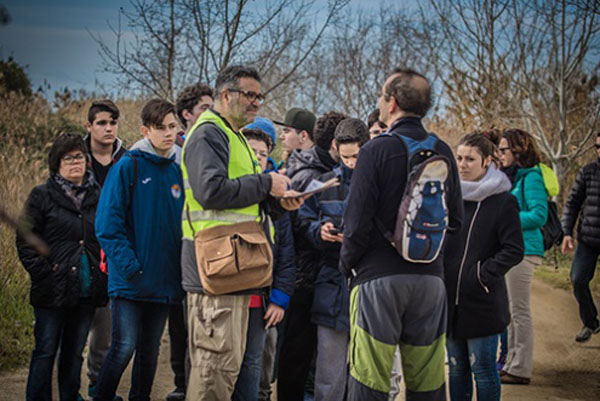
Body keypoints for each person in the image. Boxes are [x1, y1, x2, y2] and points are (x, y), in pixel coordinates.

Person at [179, 65, 303, 401]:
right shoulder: (208, 133)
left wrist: (280, 202)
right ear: (224, 95)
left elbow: (244, 203)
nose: (257, 103)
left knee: (225, 372)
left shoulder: (235, 136)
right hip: (214, 272)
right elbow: (210, 191)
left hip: (233, 270)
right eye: (249, 95)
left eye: (259, 96)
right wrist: (266, 183)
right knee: (212, 376)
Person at [339, 68, 463, 401]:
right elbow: (457, 221)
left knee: (370, 381)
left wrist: (349, 267)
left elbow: (355, 224)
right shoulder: (444, 151)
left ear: (391, 103)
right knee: (428, 382)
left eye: (382, 96)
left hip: (378, 280)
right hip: (430, 284)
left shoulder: (375, 151)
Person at [93, 99, 185, 401]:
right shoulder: (128, 166)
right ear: (146, 130)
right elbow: (107, 224)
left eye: (173, 126)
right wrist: (130, 266)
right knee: (123, 346)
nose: (168, 133)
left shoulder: (180, 168)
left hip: (165, 280)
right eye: (161, 128)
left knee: (149, 351)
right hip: (131, 280)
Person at [16, 132, 108, 401]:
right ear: (56, 163)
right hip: (51, 289)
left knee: (74, 353)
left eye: (79, 156)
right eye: (67, 158)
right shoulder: (41, 195)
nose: (75, 162)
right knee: (45, 351)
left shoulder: (97, 194)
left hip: (85, 288)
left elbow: (105, 234)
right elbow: (25, 240)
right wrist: (44, 272)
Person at [445, 133, 524, 401]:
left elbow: (514, 249)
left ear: (487, 161)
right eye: (459, 158)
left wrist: (480, 275)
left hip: (483, 302)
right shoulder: (450, 196)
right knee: (456, 370)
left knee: (483, 370)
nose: (462, 164)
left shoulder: (503, 201)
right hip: (449, 303)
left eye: (470, 159)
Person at [277, 111, 348, 401]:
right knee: (298, 356)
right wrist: (320, 231)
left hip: (317, 274)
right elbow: (297, 225)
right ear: (334, 143)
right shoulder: (313, 174)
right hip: (306, 274)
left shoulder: (315, 165)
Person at [297, 118, 369, 401]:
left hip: (367, 286)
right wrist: (320, 231)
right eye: (346, 156)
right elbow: (302, 224)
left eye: (357, 156)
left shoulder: (379, 185)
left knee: (367, 374)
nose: (351, 162)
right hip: (330, 284)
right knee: (328, 374)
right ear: (336, 149)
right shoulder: (322, 184)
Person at [242, 125, 297, 401]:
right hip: (229, 296)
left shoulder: (275, 199)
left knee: (259, 372)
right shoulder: (229, 192)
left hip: (263, 302)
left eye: (263, 154)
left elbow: (287, 255)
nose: (258, 158)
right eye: (252, 152)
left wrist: (280, 298)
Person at [498, 128, 548, 385]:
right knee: (510, 311)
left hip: (526, 250)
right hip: (513, 249)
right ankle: (511, 363)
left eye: (504, 149)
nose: (500, 154)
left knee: (519, 311)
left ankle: (521, 368)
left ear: (518, 151)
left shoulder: (532, 178)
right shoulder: (514, 178)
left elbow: (540, 215)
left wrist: (507, 220)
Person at [83, 99, 126, 401]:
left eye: (112, 122)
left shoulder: (126, 159)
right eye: (101, 123)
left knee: (107, 334)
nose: (108, 128)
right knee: (71, 337)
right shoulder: (75, 157)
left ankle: (99, 389)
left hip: (114, 255)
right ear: (89, 126)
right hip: (81, 254)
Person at [561, 132, 600, 343]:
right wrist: (567, 232)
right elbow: (573, 203)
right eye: (598, 147)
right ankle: (591, 322)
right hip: (588, 238)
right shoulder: (588, 172)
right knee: (577, 280)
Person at [174, 83, 214, 165]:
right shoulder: (173, 153)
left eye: (212, 108)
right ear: (186, 114)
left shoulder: (219, 146)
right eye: (204, 108)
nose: (212, 113)